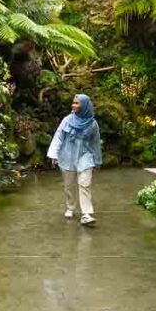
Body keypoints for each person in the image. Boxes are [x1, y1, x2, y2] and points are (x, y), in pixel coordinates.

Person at [47, 94, 102, 226]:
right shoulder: (67, 120)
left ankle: (86, 214)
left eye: (77, 103)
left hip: (85, 155)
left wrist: (97, 160)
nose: (74, 105)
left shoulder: (93, 124)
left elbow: (95, 143)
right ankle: (70, 207)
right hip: (68, 155)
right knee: (69, 185)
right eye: (73, 103)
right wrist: (54, 154)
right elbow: (58, 137)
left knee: (85, 184)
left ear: (85, 106)